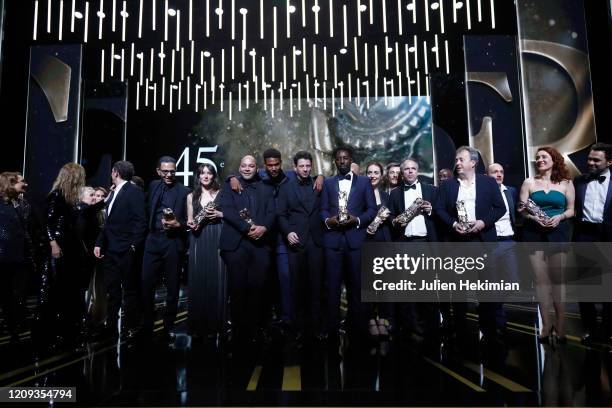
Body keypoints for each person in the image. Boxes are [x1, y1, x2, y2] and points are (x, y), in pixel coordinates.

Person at [435, 147, 506, 345]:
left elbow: (500, 208)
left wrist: (483, 222)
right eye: (456, 159)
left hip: (483, 241)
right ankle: (460, 332)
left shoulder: (488, 183)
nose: (457, 162)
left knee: (487, 291)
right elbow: (439, 209)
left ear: (473, 162)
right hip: (457, 244)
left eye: (461, 159)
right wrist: (453, 224)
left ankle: (489, 332)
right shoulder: (448, 186)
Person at [519, 146, 575, 343]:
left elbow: (571, 210)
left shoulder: (566, 183)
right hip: (534, 233)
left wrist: (559, 217)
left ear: (554, 159)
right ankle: (546, 324)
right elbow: (522, 210)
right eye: (537, 157)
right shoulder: (529, 182)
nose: (540, 159)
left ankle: (560, 326)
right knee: (541, 281)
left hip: (558, 232)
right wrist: (535, 219)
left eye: (544, 156)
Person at [219, 155, 276, 347]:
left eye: (251, 166)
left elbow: (272, 212)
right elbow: (227, 210)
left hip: (260, 244)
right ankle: (238, 331)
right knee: (237, 290)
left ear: (256, 168)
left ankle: (255, 330)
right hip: (236, 244)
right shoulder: (229, 186)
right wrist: (247, 228)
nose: (247, 169)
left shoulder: (268, 188)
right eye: (243, 165)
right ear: (239, 167)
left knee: (258, 290)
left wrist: (264, 228)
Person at [320, 146, 377, 338]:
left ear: (351, 160)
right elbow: (323, 209)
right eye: (339, 159)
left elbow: (371, 209)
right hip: (333, 242)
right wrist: (329, 220)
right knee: (332, 288)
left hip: (355, 241)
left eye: (345, 158)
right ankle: (331, 329)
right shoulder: (328, 183)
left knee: (357, 288)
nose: (342, 161)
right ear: (335, 161)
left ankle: (359, 330)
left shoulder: (363, 182)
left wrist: (357, 220)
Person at [94, 161, 147, 340]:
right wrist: (99, 242)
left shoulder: (134, 192)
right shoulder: (113, 192)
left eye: (111, 172)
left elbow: (141, 222)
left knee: (130, 289)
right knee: (112, 289)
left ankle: (131, 326)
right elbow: (108, 222)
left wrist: (133, 246)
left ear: (115, 173)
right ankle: (111, 326)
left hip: (126, 249)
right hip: (110, 250)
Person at [387, 158, 439, 343]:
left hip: (425, 243)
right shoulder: (394, 194)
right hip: (404, 244)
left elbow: (441, 214)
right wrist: (395, 220)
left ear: (418, 171)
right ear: (402, 172)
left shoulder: (431, 190)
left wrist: (431, 209)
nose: (409, 172)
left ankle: (430, 327)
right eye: (406, 169)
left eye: (413, 169)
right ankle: (411, 327)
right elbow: (390, 217)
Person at [277, 151, 325, 339]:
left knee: (316, 285)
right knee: (296, 286)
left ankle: (315, 327)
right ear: (295, 167)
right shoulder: (285, 187)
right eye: (302, 166)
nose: (305, 169)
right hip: (296, 241)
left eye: (308, 166)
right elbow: (280, 214)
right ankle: (297, 328)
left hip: (316, 241)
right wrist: (288, 231)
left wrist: (320, 175)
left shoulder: (319, 183)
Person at [141, 156, 190, 342]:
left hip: (172, 242)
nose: (169, 174)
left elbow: (190, 222)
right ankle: (147, 323)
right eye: (165, 171)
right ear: (158, 171)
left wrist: (179, 224)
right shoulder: (153, 186)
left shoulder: (185, 192)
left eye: (172, 171)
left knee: (172, 288)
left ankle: (168, 325)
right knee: (146, 284)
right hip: (153, 241)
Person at [573, 143, 612, 345]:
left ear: (609, 162)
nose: (591, 163)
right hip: (585, 237)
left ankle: (608, 332)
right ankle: (590, 331)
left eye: (596, 160)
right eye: (589, 159)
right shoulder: (578, 181)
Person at [45, 163, 87, 346]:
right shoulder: (57, 195)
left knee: (71, 288)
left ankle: (70, 330)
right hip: (61, 245)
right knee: (59, 287)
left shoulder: (72, 198)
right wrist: (53, 244)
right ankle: (57, 331)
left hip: (71, 246)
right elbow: (48, 223)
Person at [186, 164, 226, 341]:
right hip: (198, 238)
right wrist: (191, 224)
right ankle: (198, 324)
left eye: (209, 173)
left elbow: (229, 214)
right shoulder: (191, 196)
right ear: (198, 176)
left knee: (216, 278)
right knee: (199, 277)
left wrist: (219, 213)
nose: (206, 176)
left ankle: (217, 324)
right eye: (203, 173)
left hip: (217, 235)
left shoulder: (221, 193)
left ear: (214, 176)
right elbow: (189, 220)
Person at [0, 172, 31, 343]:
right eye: (21, 182)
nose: (25, 185)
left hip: (17, 257)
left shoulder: (18, 204)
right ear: (9, 184)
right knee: (5, 295)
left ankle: (14, 328)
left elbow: (23, 228)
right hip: (3, 257)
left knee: (16, 295)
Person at [364, 162, 393, 339]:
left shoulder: (386, 195)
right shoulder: (360, 194)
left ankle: (382, 319)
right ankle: (369, 320)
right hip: (366, 241)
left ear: (382, 175)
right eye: (369, 172)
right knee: (368, 283)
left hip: (384, 241)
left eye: (376, 172)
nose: (373, 175)